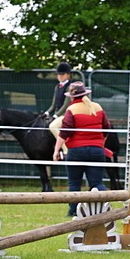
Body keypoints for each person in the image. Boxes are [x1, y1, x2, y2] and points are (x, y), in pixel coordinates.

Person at [52, 83, 111, 217]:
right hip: (97, 151)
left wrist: (56, 150)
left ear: (72, 97)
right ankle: (106, 206)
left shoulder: (72, 109)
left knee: (74, 184)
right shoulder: (97, 107)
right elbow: (106, 128)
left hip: (76, 151)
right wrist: (100, 144)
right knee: (97, 183)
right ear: (85, 94)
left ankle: (73, 211)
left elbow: (64, 132)